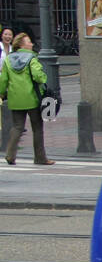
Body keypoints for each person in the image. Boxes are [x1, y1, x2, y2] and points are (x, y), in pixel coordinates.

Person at [0, 33, 55, 166]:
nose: (32, 44)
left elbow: (3, 80)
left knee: (17, 127)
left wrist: (1, 93)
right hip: (32, 99)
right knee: (37, 128)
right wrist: (43, 77)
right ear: (22, 45)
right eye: (29, 42)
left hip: (16, 99)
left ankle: (10, 155)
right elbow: (38, 77)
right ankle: (40, 158)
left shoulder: (8, 60)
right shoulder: (32, 59)